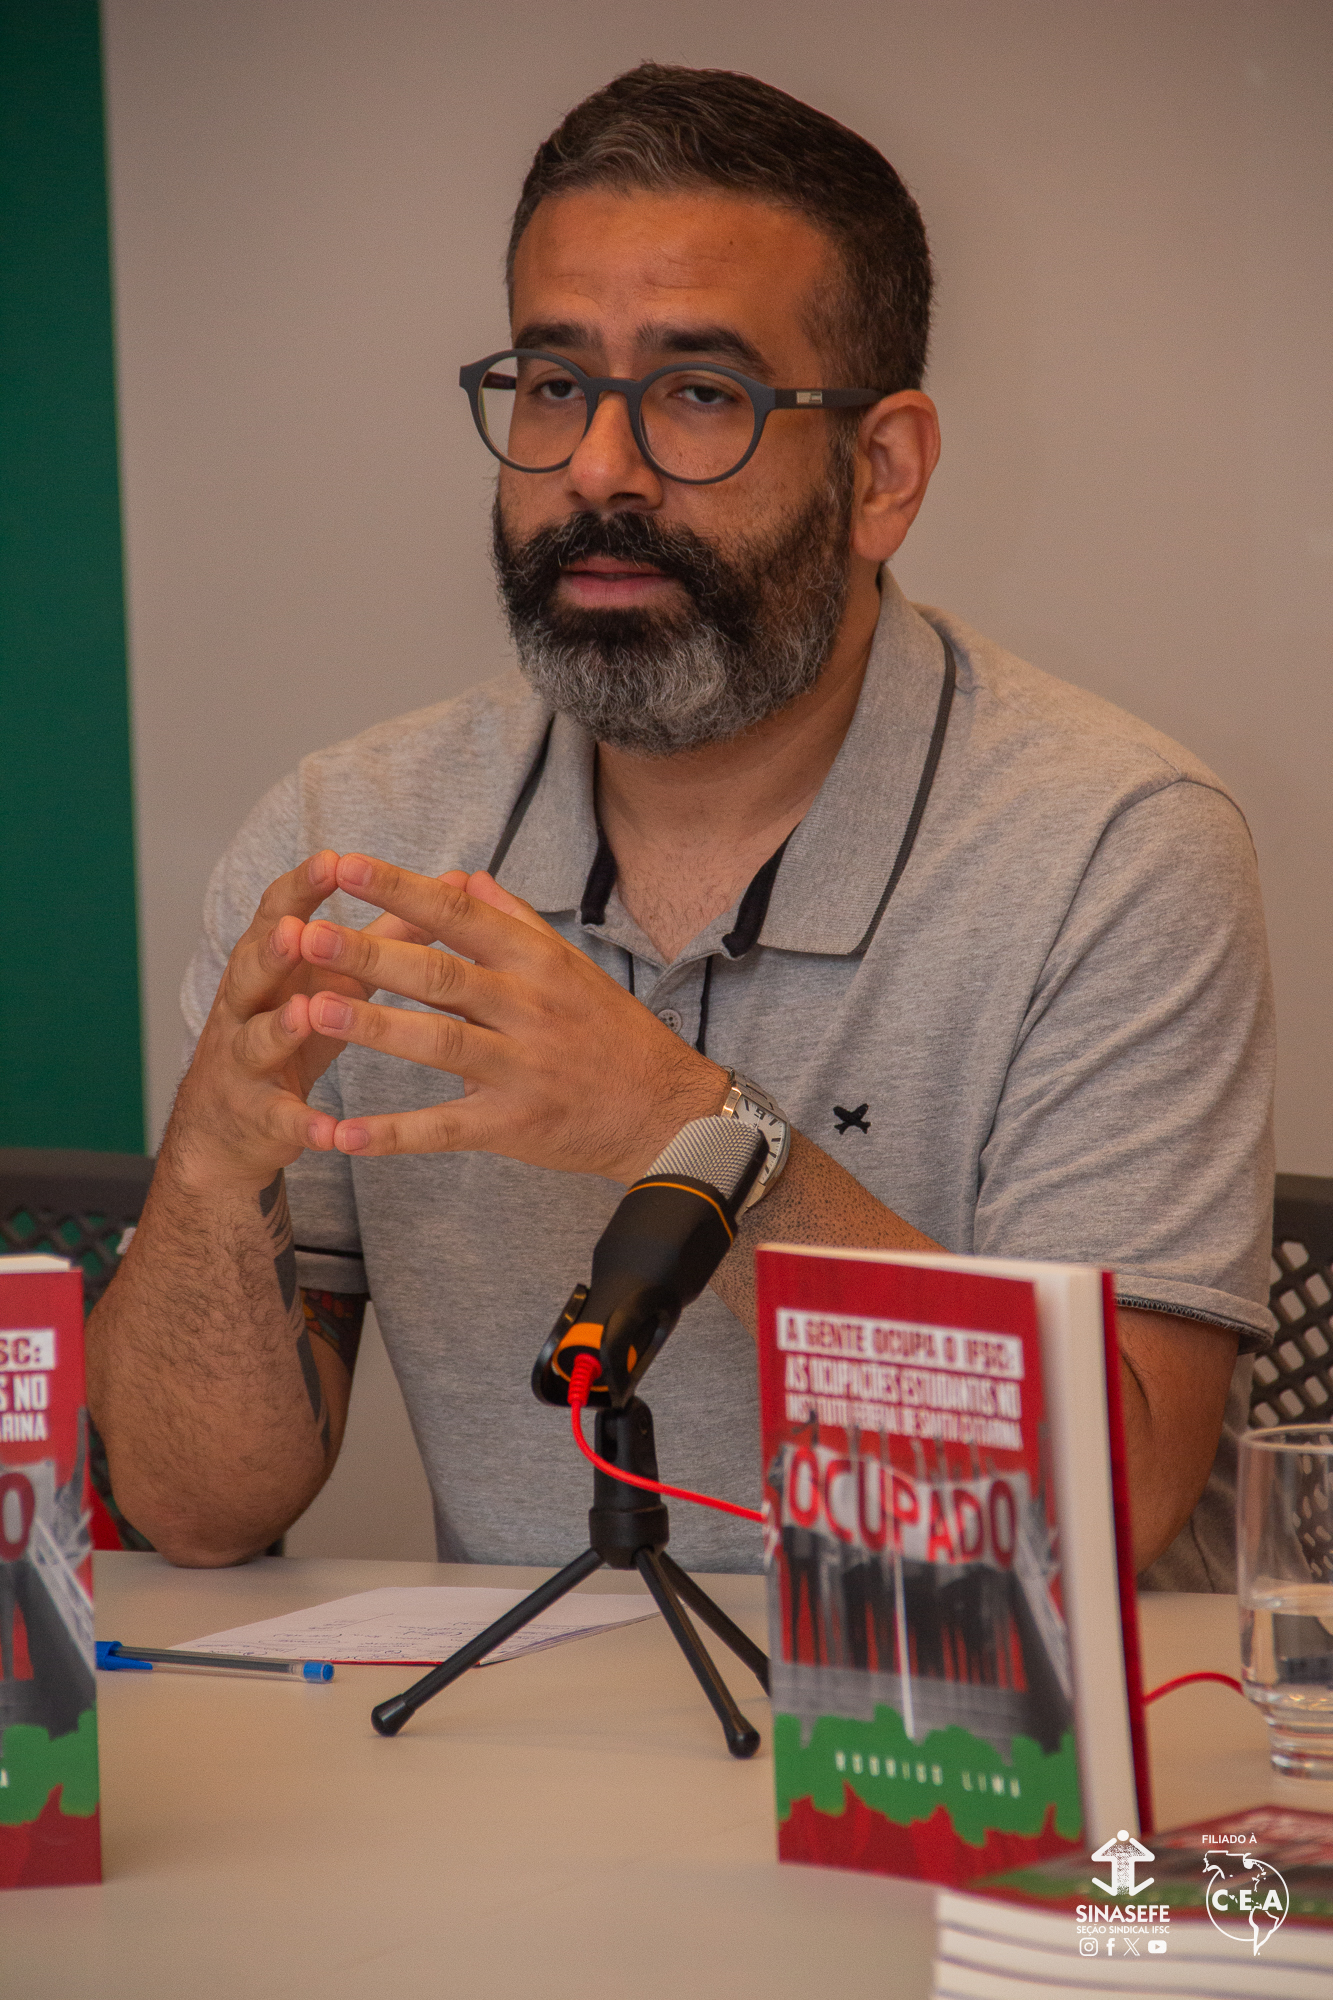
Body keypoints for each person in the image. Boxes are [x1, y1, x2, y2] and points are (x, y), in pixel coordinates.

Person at [87, 64, 1274, 1591]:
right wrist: (206, 1174)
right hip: (532, 1721)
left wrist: (681, 1132)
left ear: (882, 471)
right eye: (553, 383)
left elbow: (1111, 1503)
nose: (598, 468)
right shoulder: (352, 832)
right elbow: (196, 1511)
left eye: (699, 393)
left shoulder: (1113, 851)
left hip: (973, 1726)